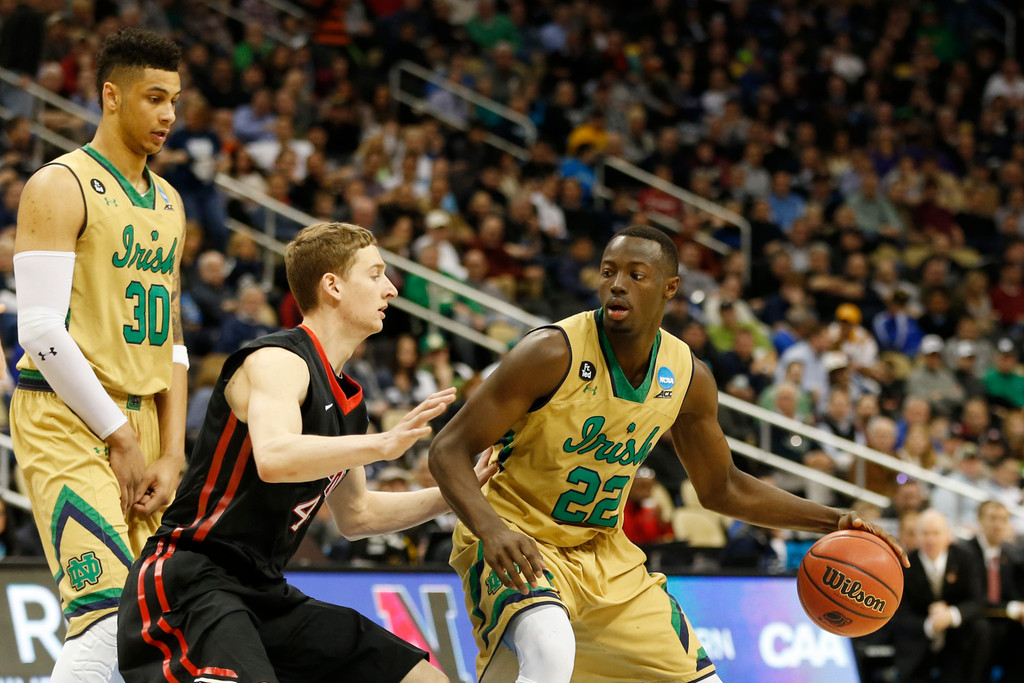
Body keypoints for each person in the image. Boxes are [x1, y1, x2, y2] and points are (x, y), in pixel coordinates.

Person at [428, 225, 907, 683]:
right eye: (608, 271)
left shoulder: (687, 376)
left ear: (670, 287)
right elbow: (448, 449)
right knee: (550, 649)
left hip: (605, 555)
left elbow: (723, 488)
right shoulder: (551, 351)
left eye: (636, 275)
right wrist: (491, 529)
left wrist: (833, 522)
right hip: (518, 538)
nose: (617, 285)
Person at [117, 222, 492, 683]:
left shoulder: (351, 405)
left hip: (265, 593)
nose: (392, 289)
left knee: (423, 679)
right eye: (375, 275)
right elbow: (274, 457)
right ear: (332, 286)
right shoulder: (278, 361)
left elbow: (359, 515)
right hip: (191, 580)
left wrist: (459, 490)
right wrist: (382, 446)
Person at [10, 28, 188, 682]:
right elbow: (39, 331)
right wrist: (119, 438)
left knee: (157, 621)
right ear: (110, 96)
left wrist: (172, 449)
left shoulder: (169, 201)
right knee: (108, 612)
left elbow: (171, 337)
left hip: (141, 422)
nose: (169, 114)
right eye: (153, 97)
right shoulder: (59, 185)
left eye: (174, 99)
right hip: (66, 415)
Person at [891, 509, 987, 683]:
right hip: (919, 639)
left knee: (979, 628)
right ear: (917, 537)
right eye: (925, 533)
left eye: (936, 533)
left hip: (956, 639)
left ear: (948, 535)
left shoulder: (966, 558)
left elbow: (977, 600)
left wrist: (950, 615)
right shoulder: (903, 566)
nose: (931, 539)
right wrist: (930, 625)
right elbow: (898, 615)